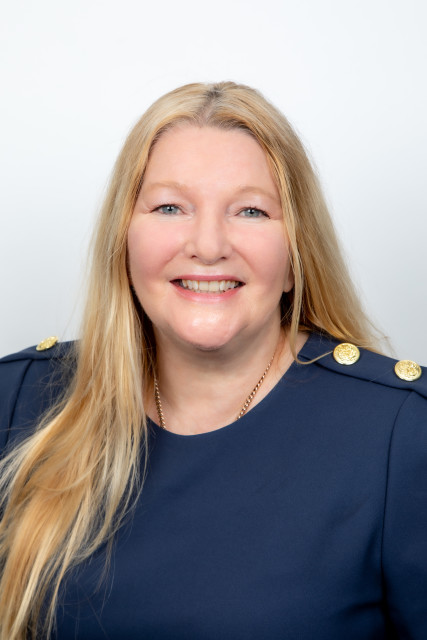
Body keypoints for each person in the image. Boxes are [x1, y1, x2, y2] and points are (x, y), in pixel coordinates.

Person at [0, 82, 426, 640]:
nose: (207, 244)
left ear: (297, 253)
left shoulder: (402, 431)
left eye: (250, 210)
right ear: (123, 241)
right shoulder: (20, 399)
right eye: (170, 207)